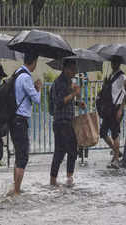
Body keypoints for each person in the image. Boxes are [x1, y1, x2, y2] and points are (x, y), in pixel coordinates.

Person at [8, 53, 42, 196]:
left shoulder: (17, 73)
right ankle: (16, 191)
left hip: (13, 119)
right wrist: (38, 88)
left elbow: (21, 94)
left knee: (18, 155)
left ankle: (15, 188)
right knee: (23, 157)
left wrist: (32, 88)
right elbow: (37, 99)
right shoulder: (26, 77)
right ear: (33, 62)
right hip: (21, 121)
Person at [50, 59, 86, 187]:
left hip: (67, 120)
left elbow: (67, 101)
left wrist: (78, 102)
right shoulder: (59, 83)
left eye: (75, 69)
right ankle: (64, 179)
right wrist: (74, 94)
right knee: (69, 150)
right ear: (65, 69)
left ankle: (57, 180)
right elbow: (59, 103)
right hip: (61, 122)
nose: (74, 72)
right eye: (72, 69)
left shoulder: (68, 82)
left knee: (62, 151)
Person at [101, 57, 126, 169]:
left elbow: (125, 94)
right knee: (102, 133)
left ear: (119, 63)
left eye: (116, 62)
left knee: (115, 134)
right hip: (108, 108)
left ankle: (116, 159)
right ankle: (116, 151)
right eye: (112, 62)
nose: (113, 64)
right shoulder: (110, 75)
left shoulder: (122, 77)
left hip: (116, 109)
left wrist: (121, 109)